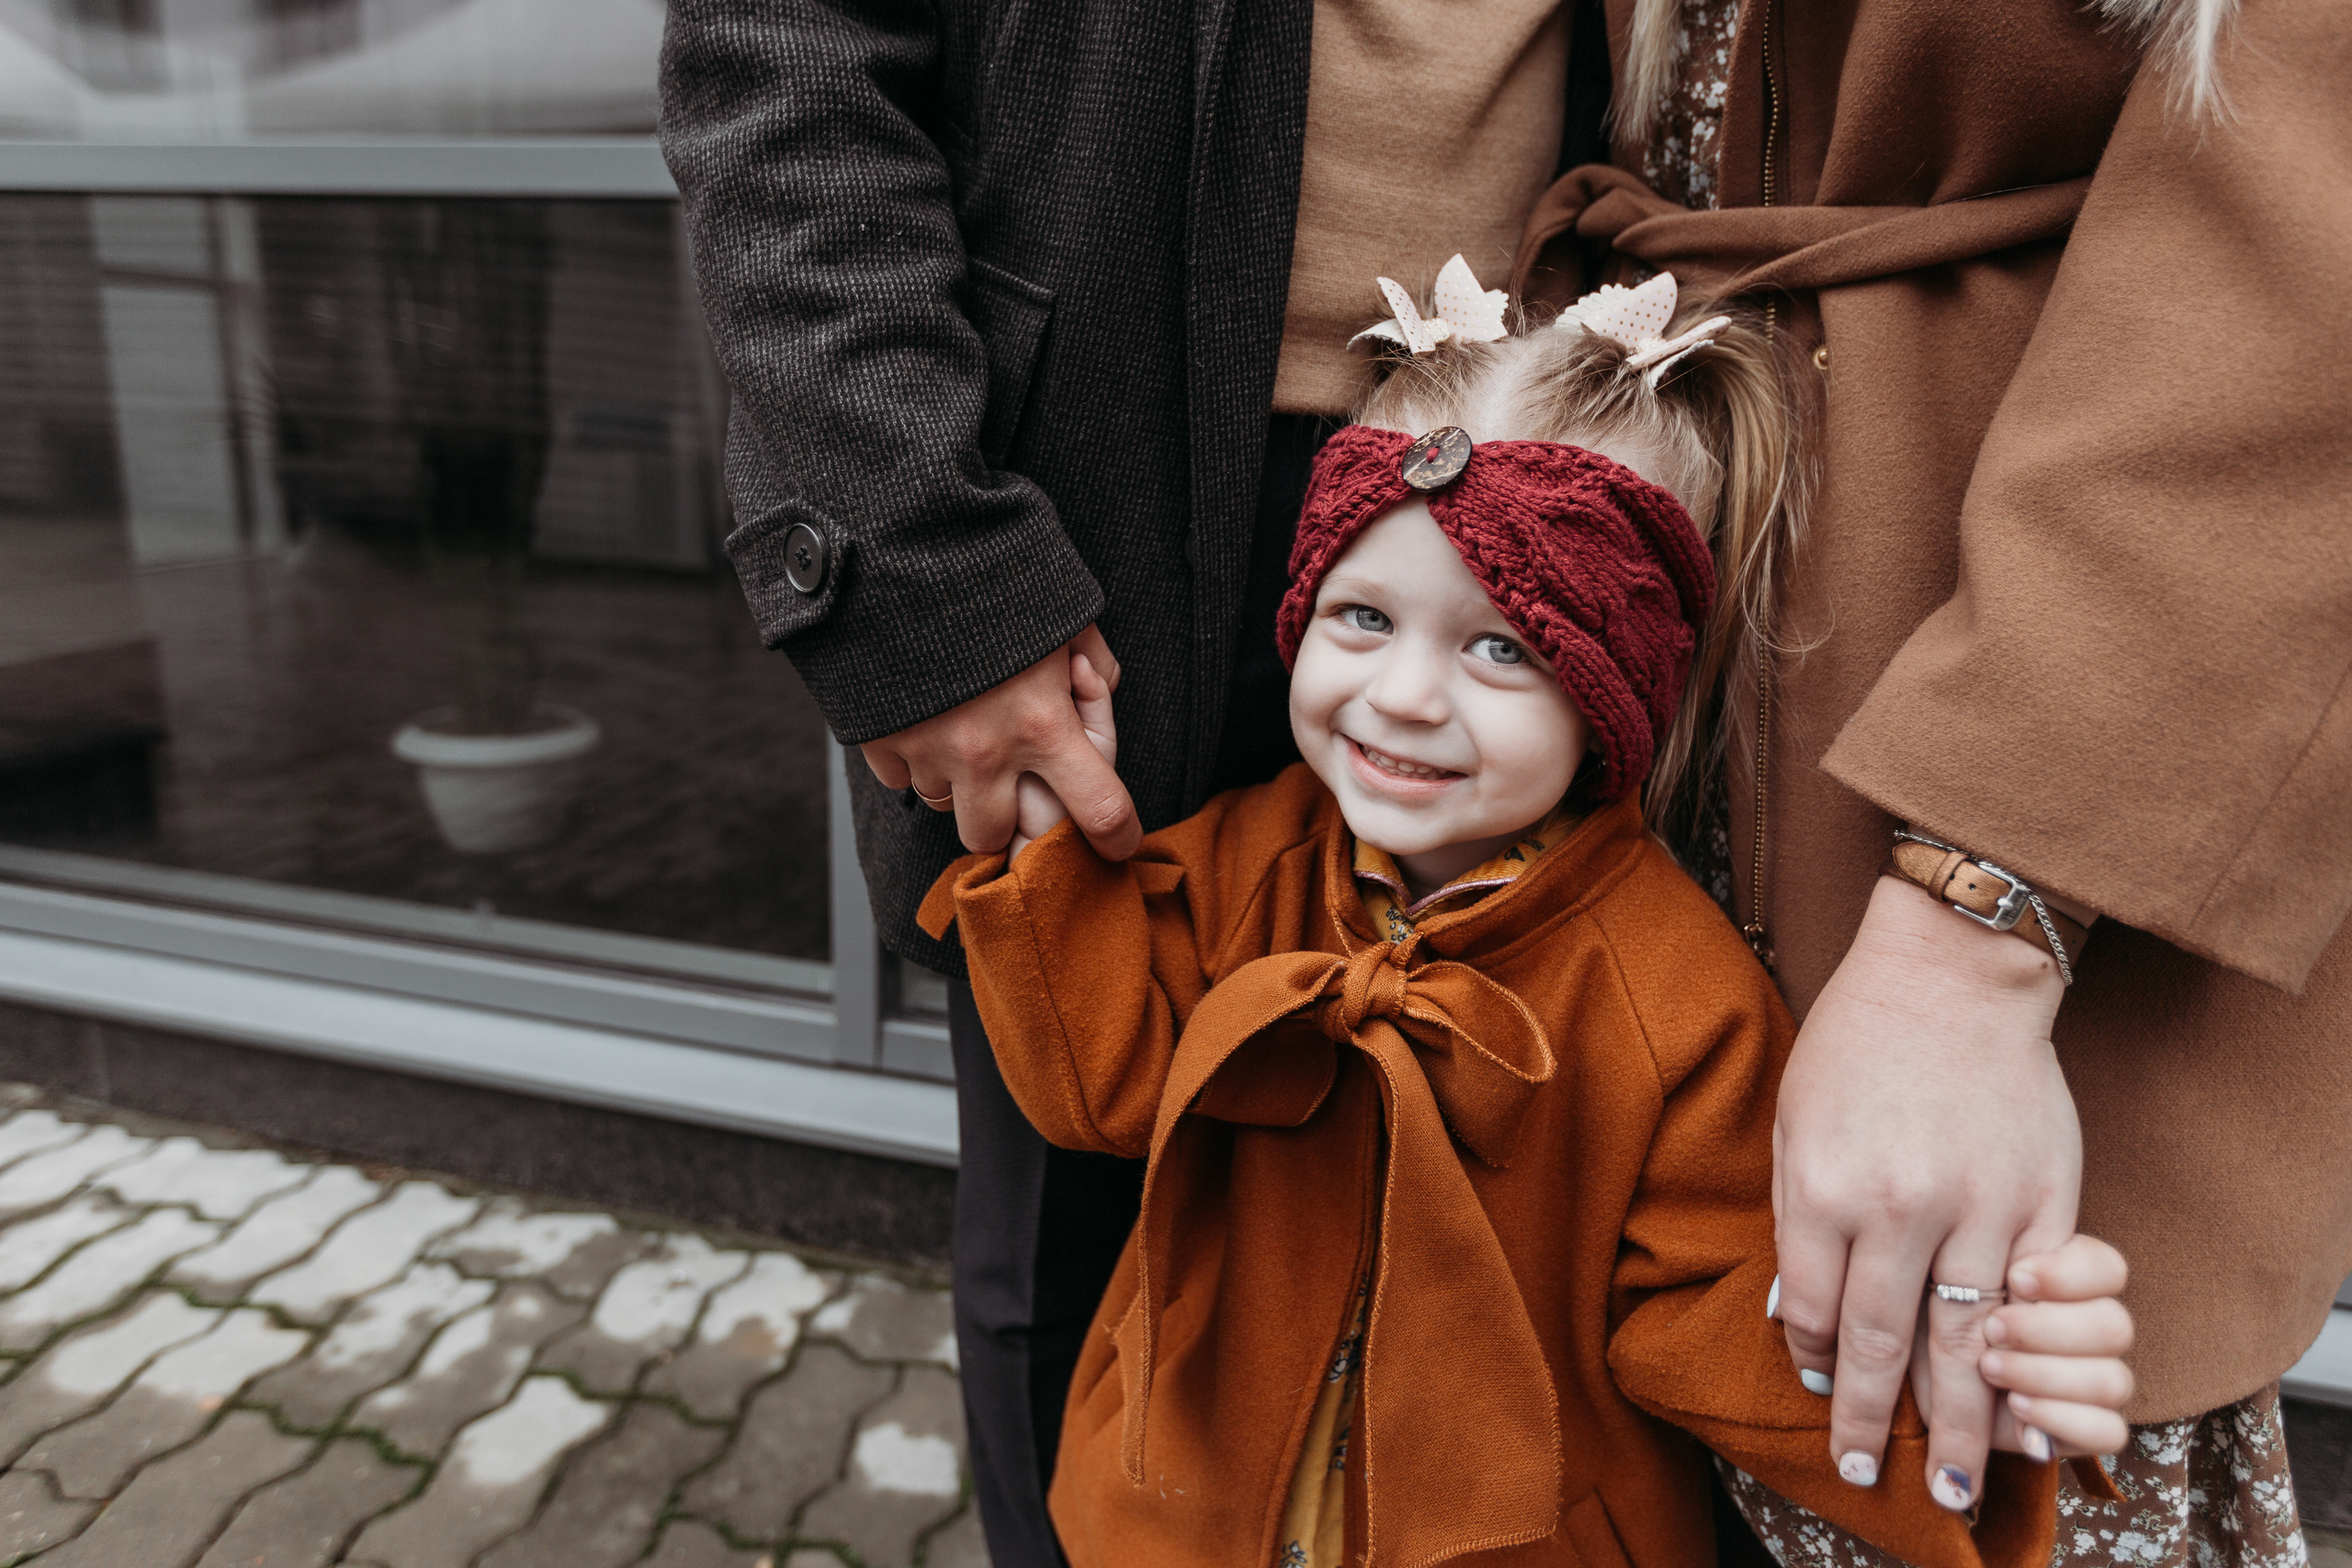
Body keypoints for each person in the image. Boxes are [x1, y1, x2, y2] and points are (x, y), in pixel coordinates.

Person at [918, 272, 2136, 1568]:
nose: (1401, 696)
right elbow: (1098, 1085)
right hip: (1180, 1511)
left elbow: (1710, 1309)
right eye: (1363, 618)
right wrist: (1050, 859)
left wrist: (1963, 1398)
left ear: (1618, 685)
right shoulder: (1247, 860)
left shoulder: (1678, 998)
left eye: (1502, 648)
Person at [1494, 2, 2352, 1560]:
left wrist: (1982, 922)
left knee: (1963, 1416)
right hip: (1677, 615)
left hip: (2038, 691)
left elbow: (2310, 241)